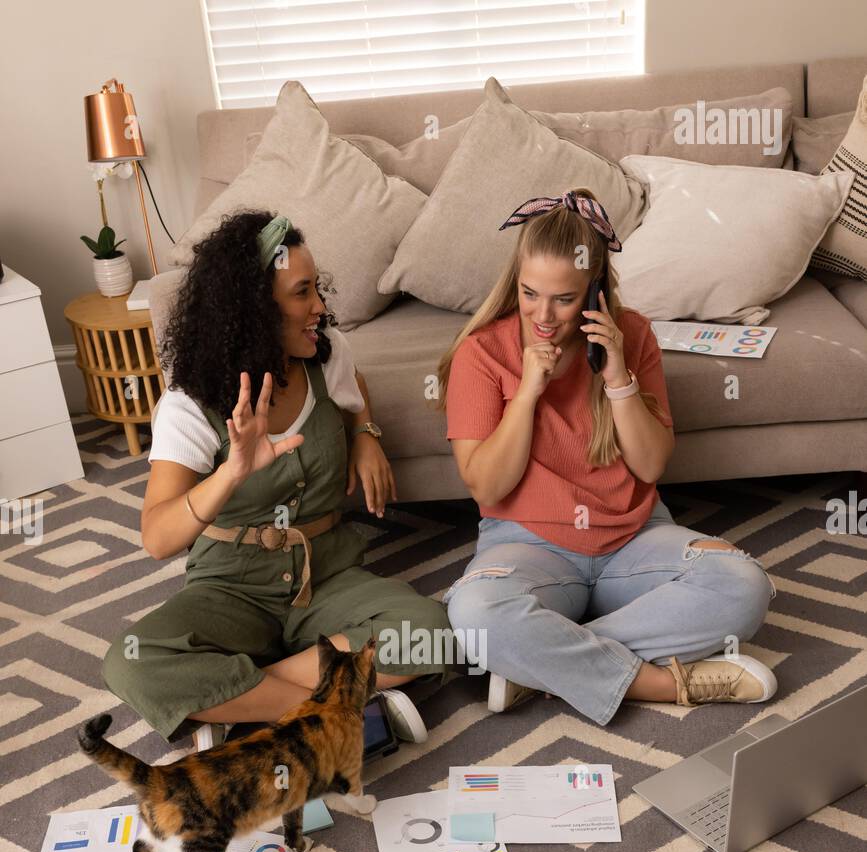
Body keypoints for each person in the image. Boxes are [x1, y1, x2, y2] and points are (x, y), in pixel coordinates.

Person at [103, 210, 450, 749]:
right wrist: (232, 471)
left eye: (318, 290)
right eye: (302, 293)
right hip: (230, 584)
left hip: (326, 573)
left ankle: (239, 699)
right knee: (132, 662)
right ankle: (332, 713)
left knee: (429, 632)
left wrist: (365, 431)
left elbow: (353, 384)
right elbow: (157, 537)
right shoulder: (189, 401)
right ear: (254, 311)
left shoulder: (326, 354)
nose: (320, 308)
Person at [437, 188, 777, 723]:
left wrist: (618, 375)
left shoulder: (633, 334)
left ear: (595, 292)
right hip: (531, 547)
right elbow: (486, 487)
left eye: (564, 299)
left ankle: (537, 665)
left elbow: (649, 467)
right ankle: (660, 684)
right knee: (477, 613)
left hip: (634, 540)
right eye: (530, 294)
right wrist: (527, 389)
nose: (542, 316)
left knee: (743, 584)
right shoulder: (481, 352)